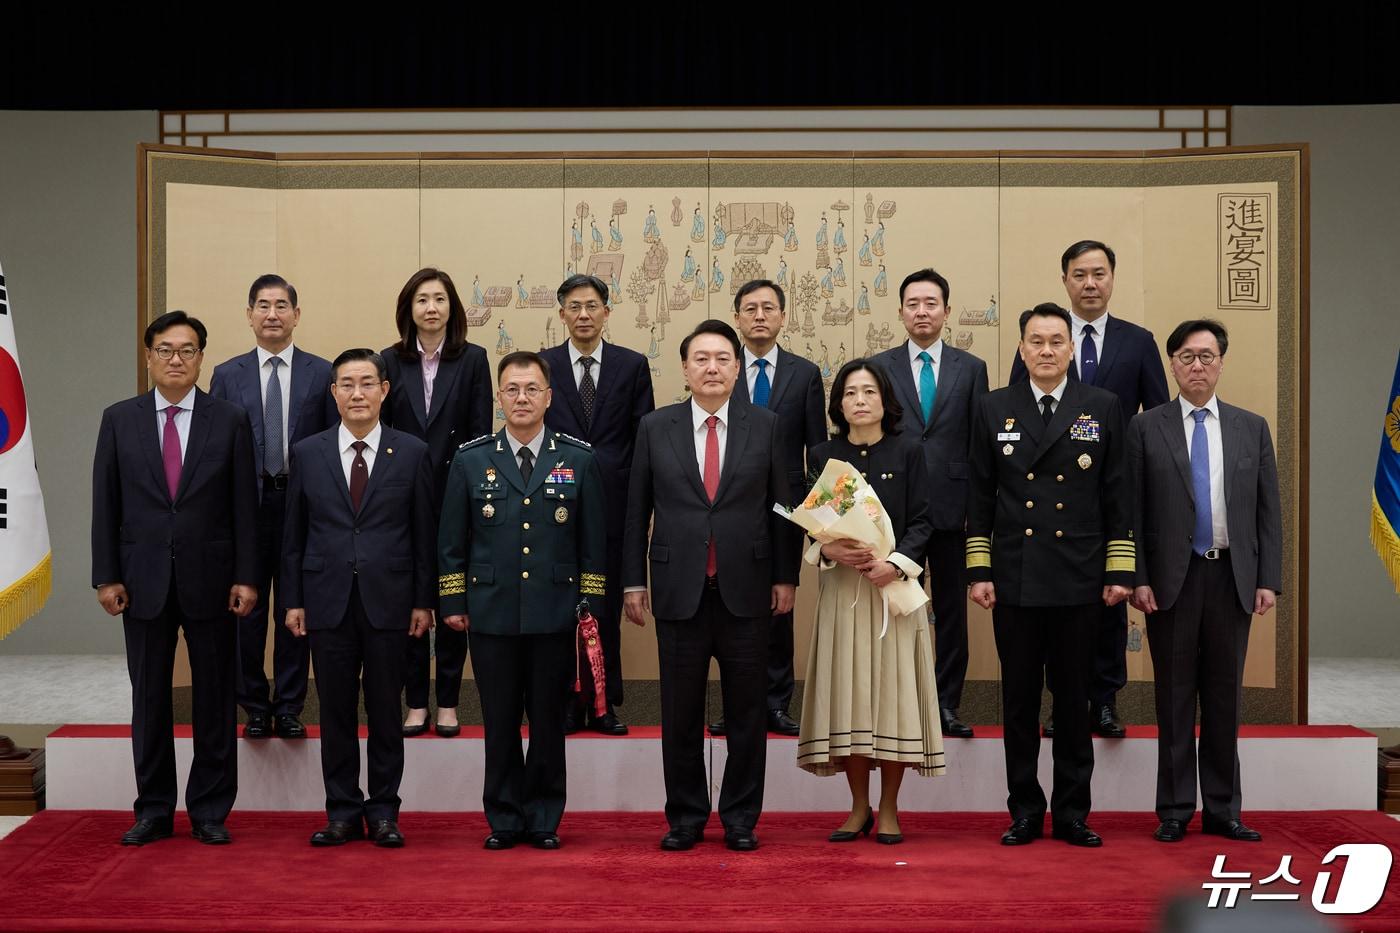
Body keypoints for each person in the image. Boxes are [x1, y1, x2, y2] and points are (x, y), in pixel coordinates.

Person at [623, 320, 798, 853]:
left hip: (748, 588)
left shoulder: (766, 425)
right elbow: (636, 512)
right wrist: (633, 582)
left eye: (723, 358)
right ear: (684, 369)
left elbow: (784, 508)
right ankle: (685, 817)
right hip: (679, 589)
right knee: (680, 713)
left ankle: (741, 818)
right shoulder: (656, 426)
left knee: (748, 712)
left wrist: (786, 577)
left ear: (738, 367)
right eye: (701, 359)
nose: (712, 367)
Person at [966, 303, 1134, 848]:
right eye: (1035, 341)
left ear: (1070, 348)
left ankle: (1072, 813)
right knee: (1017, 701)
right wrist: (979, 569)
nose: (1045, 350)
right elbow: (979, 495)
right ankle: (1023, 810)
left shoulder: (1102, 406)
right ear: (1021, 349)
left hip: (1081, 576)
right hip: (1015, 574)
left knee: (1073, 700)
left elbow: (1117, 495)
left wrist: (1119, 569)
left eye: (1056, 341)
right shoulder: (994, 408)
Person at [92, 310, 258, 846]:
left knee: (214, 698)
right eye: (165, 349)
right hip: (140, 581)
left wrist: (247, 577)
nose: (176, 359)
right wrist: (106, 576)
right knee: (150, 700)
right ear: (148, 356)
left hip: (212, 579)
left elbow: (244, 508)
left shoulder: (228, 419)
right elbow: (106, 504)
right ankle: (154, 809)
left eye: (187, 350)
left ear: (201, 357)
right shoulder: (119, 419)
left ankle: (210, 809)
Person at [438, 351, 607, 850]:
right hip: (490, 613)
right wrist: (452, 600)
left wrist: (590, 603)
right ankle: (505, 817)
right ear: (498, 396)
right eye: (511, 389)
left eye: (532, 389)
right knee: (500, 722)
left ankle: (544, 817)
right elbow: (451, 542)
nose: (521, 398)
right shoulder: (472, 459)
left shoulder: (578, 458)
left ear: (549, 397)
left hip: (555, 613)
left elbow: (593, 542)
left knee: (549, 723)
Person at [1128, 320, 1281, 844]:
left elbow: (1267, 512)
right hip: (1172, 580)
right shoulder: (1146, 427)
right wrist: (1139, 577)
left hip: (1232, 577)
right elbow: (1134, 510)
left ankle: (1222, 809)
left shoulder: (1250, 427)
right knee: (1173, 699)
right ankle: (1173, 810)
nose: (1198, 365)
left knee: (1223, 699)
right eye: (1187, 356)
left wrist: (1268, 579)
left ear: (1221, 362)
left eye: (1208, 356)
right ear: (1172, 363)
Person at [1010, 240, 1169, 738]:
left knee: (1107, 601)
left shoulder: (1137, 340)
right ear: (1065, 281)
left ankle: (1104, 700)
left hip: (1109, 492)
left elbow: (1158, 413)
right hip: (1048, 501)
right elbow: (1016, 405)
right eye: (1080, 274)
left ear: (1113, 278)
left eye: (1099, 273)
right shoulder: (1042, 337)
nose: (1090, 283)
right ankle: (1062, 705)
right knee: (1057, 612)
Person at [282, 349, 435, 848]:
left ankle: (385, 812)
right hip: (326, 600)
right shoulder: (307, 451)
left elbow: (422, 534)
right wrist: (293, 600)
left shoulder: (411, 452)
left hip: (391, 601)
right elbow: (294, 536)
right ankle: (342, 811)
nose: (357, 393)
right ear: (333, 393)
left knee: (387, 712)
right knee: (336, 712)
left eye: (367, 383)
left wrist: (423, 600)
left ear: (384, 390)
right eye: (346, 384)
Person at [798, 359, 946, 844]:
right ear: (838, 404)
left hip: (895, 594)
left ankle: (889, 808)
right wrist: (829, 548)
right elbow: (813, 526)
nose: (859, 400)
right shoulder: (824, 455)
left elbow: (924, 521)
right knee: (852, 699)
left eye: (869, 392)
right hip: (844, 593)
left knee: (892, 701)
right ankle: (858, 806)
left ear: (885, 400)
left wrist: (896, 563)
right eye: (849, 393)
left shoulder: (909, 452)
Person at [209, 274, 336, 741]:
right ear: (248, 315)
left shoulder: (322, 373)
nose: (272, 314)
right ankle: (253, 706)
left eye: (281, 305)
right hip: (246, 507)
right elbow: (215, 448)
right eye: (262, 305)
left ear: (296, 315)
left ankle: (288, 705)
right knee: (247, 607)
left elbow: (327, 446)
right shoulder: (226, 374)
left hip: (300, 506)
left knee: (295, 608)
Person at [872, 269, 989, 738]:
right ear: (900, 311)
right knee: (894, 610)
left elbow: (979, 445)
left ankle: (946, 705)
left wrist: (975, 510)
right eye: (913, 303)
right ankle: (895, 705)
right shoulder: (879, 366)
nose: (922, 311)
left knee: (951, 615)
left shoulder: (971, 367)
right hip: (896, 513)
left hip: (954, 509)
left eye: (931, 303)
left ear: (946, 310)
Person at [540, 274, 655, 735]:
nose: (583, 315)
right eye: (574, 306)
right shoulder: (544, 364)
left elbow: (642, 435)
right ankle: (569, 701)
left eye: (592, 306)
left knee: (605, 607)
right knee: (563, 605)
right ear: (562, 313)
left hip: (615, 501)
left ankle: (606, 702)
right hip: (555, 504)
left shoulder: (632, 364)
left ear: (607, 311)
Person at [381, 267, 493, 739]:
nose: (431, 308)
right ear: (409, 308)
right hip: (401, 495)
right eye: (422, 300)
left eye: (440, 299)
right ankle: (415, 703)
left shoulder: (473, 359)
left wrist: (466, 488)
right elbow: (383, 432)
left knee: (452, 595)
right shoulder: (388, 360)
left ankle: (446, 701)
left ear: (452, 308)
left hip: (455, 492)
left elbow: (479, 432)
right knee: (410, 599)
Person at [711, 280, 824, 738]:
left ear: (783, 317)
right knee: (727, 608)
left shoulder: (804, 373)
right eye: (750, 309)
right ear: (737, 318)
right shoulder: (721, 367)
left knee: (779, 604)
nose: (759, 316)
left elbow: (816, 448)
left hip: (785, 507)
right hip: (728, 505)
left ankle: (776, 703)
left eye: (768, 308)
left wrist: (821, 521)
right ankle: (737, 706)